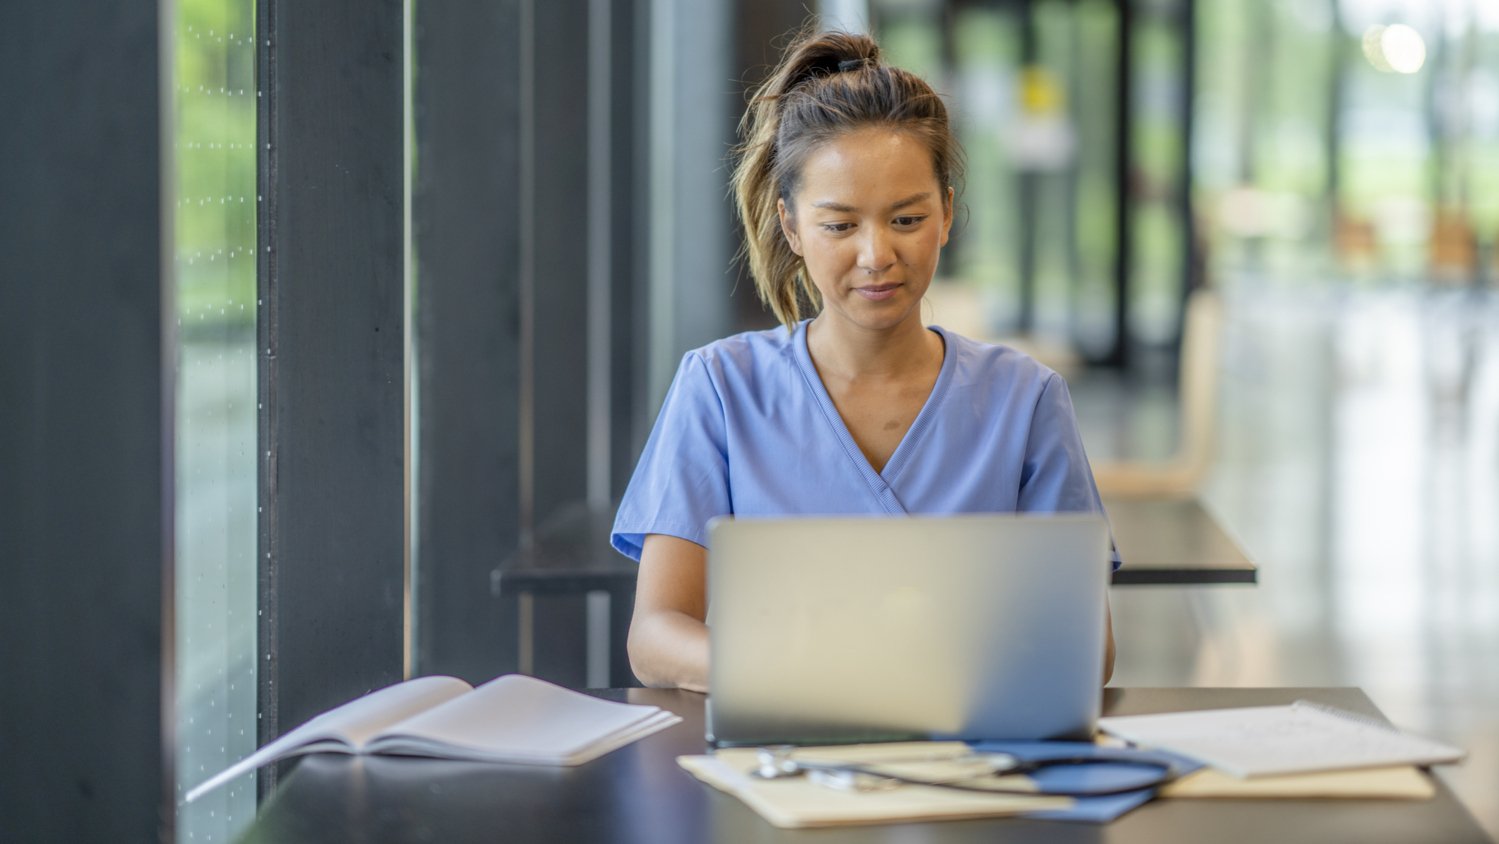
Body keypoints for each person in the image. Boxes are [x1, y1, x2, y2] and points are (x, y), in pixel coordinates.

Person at [611, 29, 1117, 693]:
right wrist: (799, 676)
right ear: (791, 227)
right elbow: (654, 636)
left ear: (946, 215)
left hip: (970, 764)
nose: (875, 255)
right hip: (778, 760)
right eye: (840, 225)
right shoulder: (719, 388)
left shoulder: (1025, 399)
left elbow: (1084, 645)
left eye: (905, 220)